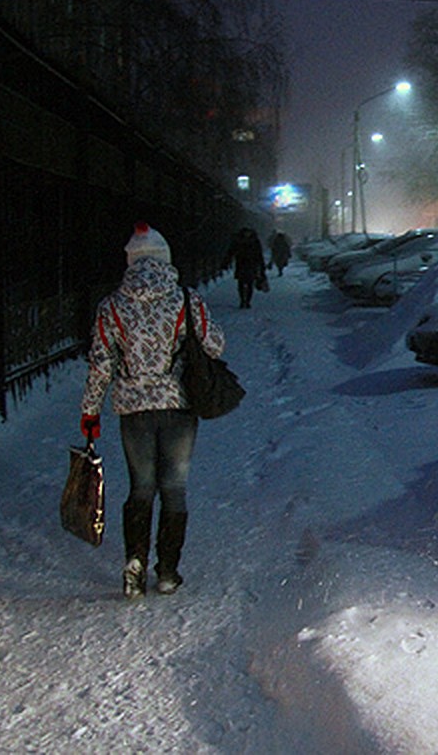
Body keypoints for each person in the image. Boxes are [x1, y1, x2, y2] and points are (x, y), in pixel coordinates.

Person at [79, 222, 225, 598]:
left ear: (130, 261)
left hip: (133, 410)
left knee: (141, 487)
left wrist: (90, 411)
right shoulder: (187, 301)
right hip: (178, 406)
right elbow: (215, 346)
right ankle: (167, 572)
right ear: (165, 259)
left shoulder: (111, 306)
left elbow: (100, 364)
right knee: (174, 488)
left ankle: (134, 560)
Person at [224, 227, 266, 307]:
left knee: (249, 283)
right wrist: (226, 261)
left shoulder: (254, 241)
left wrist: (261, 265)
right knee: (241, 283)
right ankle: (242, 300)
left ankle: (247, 301)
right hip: (241, 264)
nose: (247, 234)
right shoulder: (239, 241)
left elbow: (259, 254)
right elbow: (231, 252)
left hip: (251, 264)